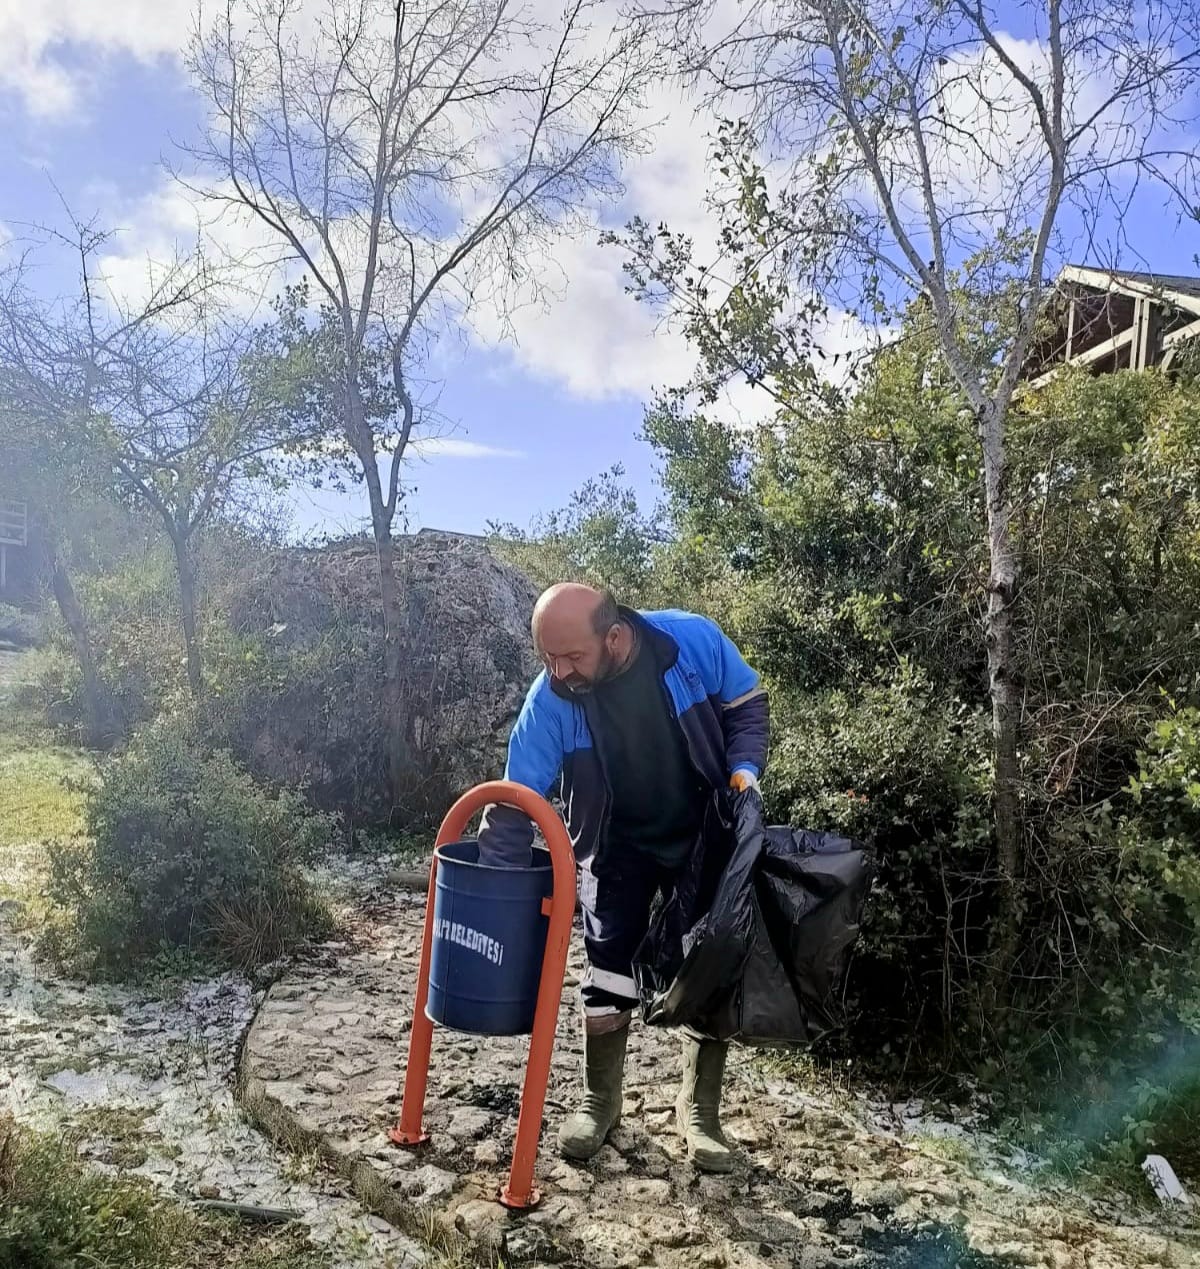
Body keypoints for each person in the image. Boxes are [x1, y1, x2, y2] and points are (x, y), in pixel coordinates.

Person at [477, 583, 768, 1172]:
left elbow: (746, 705)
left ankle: (700, 1113)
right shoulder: (551, 698)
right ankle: (600, 1102)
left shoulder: (691, 641)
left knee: (706, 967)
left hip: (701, 836)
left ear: (613, 637)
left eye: (572, 657)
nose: (559, 672)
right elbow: (518, 797)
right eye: (547, 659)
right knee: (607, 967)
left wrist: (743, 771)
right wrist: (491, 888)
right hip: (615, 847)